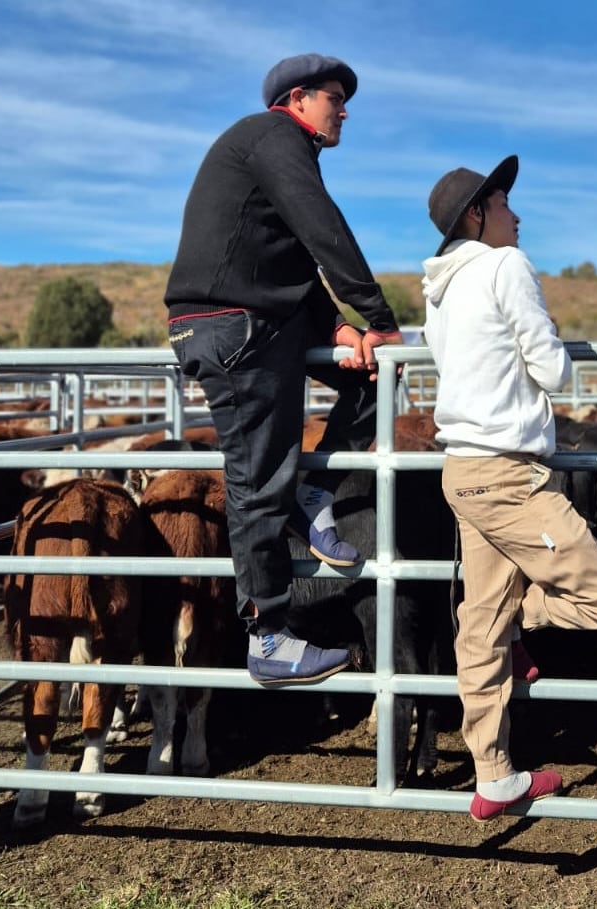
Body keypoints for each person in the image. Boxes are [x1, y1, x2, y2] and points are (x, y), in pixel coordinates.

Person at [165, 53, 402, 686]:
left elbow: (294, 259)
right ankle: (269, 634)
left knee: (370, 378)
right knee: (258, 477)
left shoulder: (272, 152)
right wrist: (378, 315)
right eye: (334, 96)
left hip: (251, 321)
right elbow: (323, 230)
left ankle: (313, 494)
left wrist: (340, 329)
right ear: (298, 99)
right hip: (233, 326)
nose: (344, 109)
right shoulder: (276, 136)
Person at [421, 155, 597, 821]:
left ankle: (495, 773)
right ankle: (526, 619)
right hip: (511, 472)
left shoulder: (439, 289)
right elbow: (551, 367)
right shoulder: (504, 266)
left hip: (462, 468)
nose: (518, 215)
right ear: (476, 215)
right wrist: (554, 357)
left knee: (480, 618)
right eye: (506, 203)